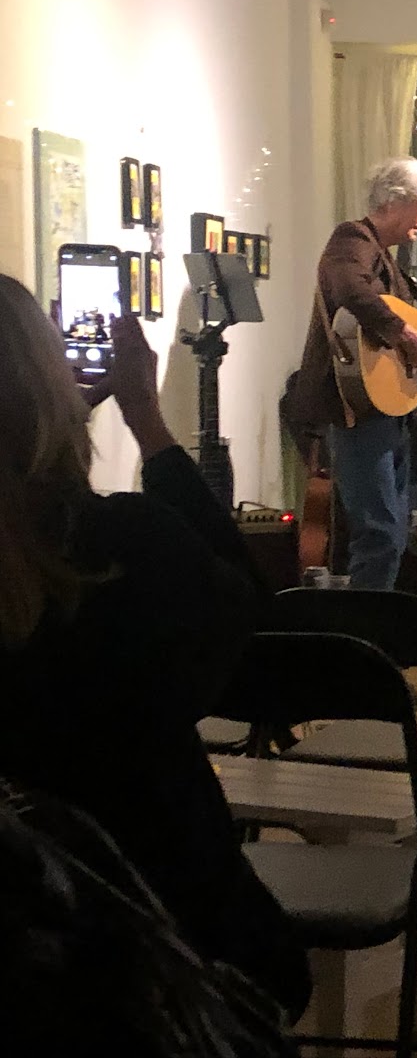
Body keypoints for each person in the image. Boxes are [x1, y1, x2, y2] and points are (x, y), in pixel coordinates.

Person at [0, 278, 310, 1021]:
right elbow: (255, 651)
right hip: (161, 942)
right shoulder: (125, 546)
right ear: (47, 396)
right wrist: (148, 422)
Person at [288, 157, 417, 590]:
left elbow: (412, 344)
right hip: (358, 414)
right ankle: (367, 625)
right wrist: (405, 334)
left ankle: (376, 618)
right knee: (380, 534)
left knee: (393, 533)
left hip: (386, 413)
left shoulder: (386, 259)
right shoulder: (352, 238)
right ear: (395, 202)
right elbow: (348, 286)